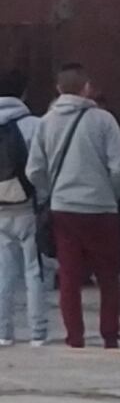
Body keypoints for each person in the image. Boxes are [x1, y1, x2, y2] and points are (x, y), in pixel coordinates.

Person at [26, 63, 120, 349]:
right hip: (101, 209)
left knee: (69, 275)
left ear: (58, 89)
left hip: (64, 208)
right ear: (87, 88)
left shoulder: (46, 122)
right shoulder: (104, 120)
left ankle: (75, 337)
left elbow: (34, 169)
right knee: (108, 275)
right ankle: (110, 335)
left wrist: (51, 190)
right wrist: (111, 193)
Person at [0, 69, 46, 346]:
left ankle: (4, 332)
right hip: (28, 206)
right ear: (24, 93)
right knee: (34, 270)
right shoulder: (34, 125)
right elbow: (41, 167)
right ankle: (38, 332)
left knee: (4, 272)